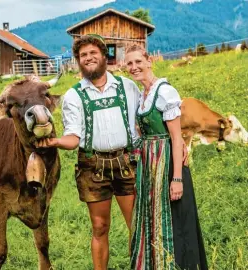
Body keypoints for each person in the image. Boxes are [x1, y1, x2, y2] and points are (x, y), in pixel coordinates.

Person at [36, 34, 140, 269]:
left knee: (137, 224)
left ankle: (141, 265)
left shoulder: (127, 87)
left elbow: (141, 123)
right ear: (78, 61)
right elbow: (74, 138)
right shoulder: (74, 95)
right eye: (83, 55)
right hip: (93, 166)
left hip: (127, 163)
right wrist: (54, 142)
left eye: (93, 53)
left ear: (104, 56)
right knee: (99, 226)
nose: (88, 58)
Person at [124, 44, 208, 270]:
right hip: (150, 166)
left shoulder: (165, 92)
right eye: (129, 63)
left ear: (149, 61)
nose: (134, 67)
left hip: (168, 164)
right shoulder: (143, 94)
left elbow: (176, 137)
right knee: (152, 216)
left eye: (138, 62)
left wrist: (177, 178)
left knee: (175, 220)